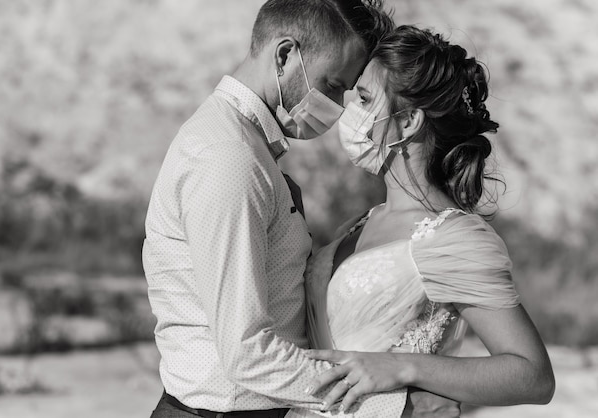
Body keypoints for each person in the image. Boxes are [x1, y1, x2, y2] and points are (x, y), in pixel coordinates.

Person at [143, 2, 455, 417]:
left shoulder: (243, 146)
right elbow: (246, 353)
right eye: (330, 86)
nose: (338, 106)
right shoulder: (229, 158)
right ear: (285, 55)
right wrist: (392, 407)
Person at [285, 25, 556, 417]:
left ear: (409, 120)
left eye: (364, 98)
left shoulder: (453, 238)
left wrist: (403, 368)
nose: (349, 113)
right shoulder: (361, 222)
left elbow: (533, 376)